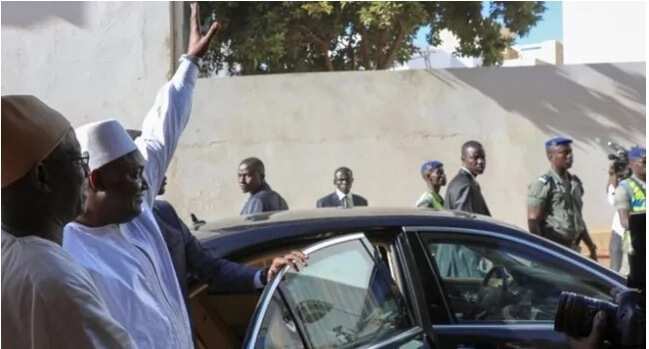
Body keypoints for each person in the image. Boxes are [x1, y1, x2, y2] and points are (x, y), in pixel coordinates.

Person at [62, 4, 222, 347]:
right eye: (134, 175)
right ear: (97, 180)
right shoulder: (67, 252)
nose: (146, 182)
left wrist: (189, 63)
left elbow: (161, 131)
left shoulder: (136, 210)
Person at [1, 95, 134, 348]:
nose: (86, 173)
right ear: (42, 175)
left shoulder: (12, 253)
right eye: (78, 160)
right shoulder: (54, 283)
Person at [527, 137, 598, 260]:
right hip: (555, 249)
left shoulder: (574, 183)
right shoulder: (544, 184)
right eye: (564, 153)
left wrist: (591, 246)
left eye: (570, 152)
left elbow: (578, 219)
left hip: (573, 248)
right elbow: (533, 220)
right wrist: (541, 250)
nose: (569, 156)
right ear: (550, 156)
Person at [614, 146, 645, 264]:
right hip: (635, 243)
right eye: (644, 161)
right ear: (631, 164)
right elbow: (625, 222)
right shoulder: (624, 188)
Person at [444, 141, 491, 215]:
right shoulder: (465, 185)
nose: (480, 161)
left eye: (483, 157)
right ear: (463, 159)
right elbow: (465, 221)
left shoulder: (467, 182)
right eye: (475, 157)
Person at [606, 161, 629, 273]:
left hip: (634, 234)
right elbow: (611, 195)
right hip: (618, 232)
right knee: (615, 271)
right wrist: (612, 175)